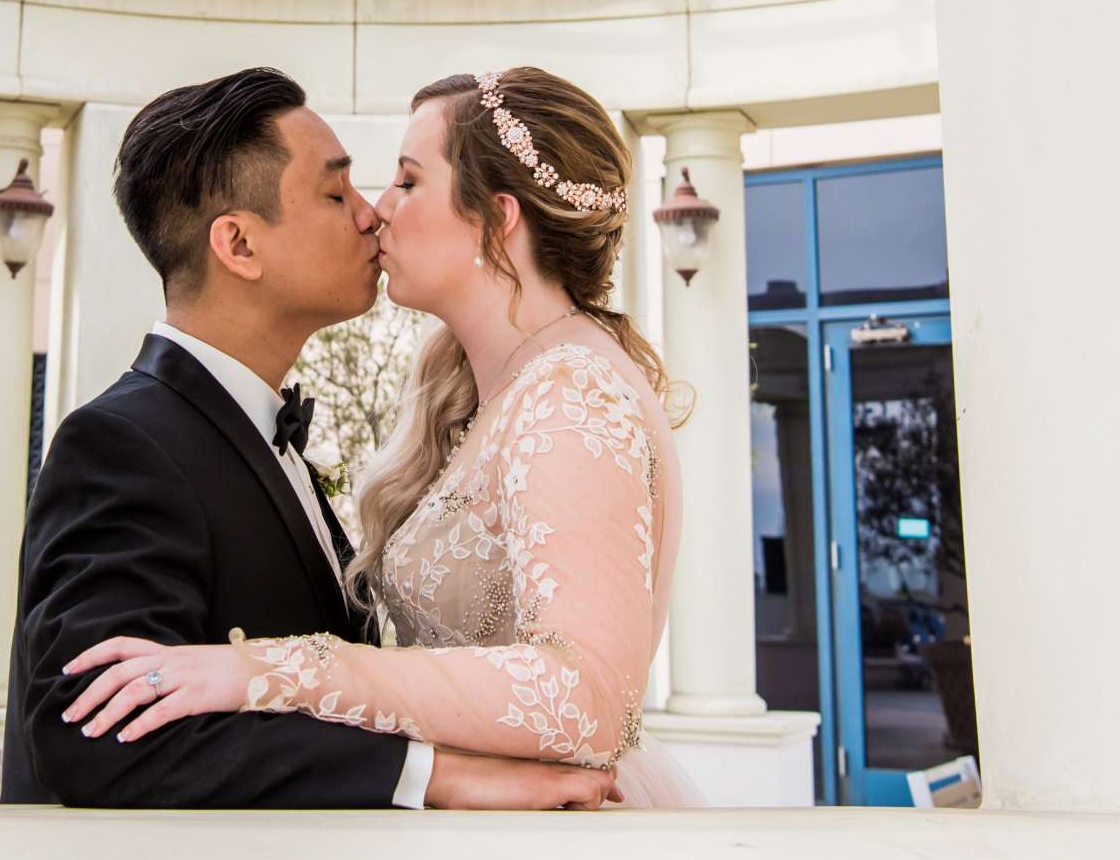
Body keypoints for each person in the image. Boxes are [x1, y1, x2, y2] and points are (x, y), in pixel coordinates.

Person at [56, 67, 707, 808]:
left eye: (405, 181)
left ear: (496, 221)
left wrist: (270, 672)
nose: (377, 213)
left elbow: (588, 694)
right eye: (348, 192)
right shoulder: (477, 388)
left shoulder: (573, 396)